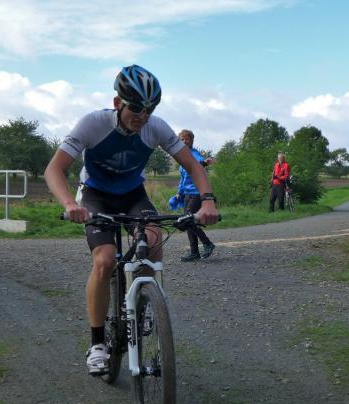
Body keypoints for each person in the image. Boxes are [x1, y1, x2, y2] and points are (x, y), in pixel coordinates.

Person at [44, 65, 219, 376]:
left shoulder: (156, 128)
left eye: (150, 109)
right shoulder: (93, 124)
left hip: (133, 195)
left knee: (153, 239)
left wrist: (207, 200)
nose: (143, 116)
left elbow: (193, 166)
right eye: (136, 108)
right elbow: (54, 169)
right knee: (105, 260)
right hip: (96, 195)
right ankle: (98, 343)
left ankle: (147, 303)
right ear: (117, 103)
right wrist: (70, 204)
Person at [174, 129, 216, 262]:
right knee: (188, 222)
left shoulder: (194, 154)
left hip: (197, 194)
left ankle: (207, 243)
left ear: (191, 140)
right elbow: (183, 178)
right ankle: (194, 252)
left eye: (187, 139)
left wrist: (204, 163)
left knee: (187, 220)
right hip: (187, 194)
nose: (184, 141)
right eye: (182, 139)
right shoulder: (181, 156)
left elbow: (199, 164)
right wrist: (179, 192)